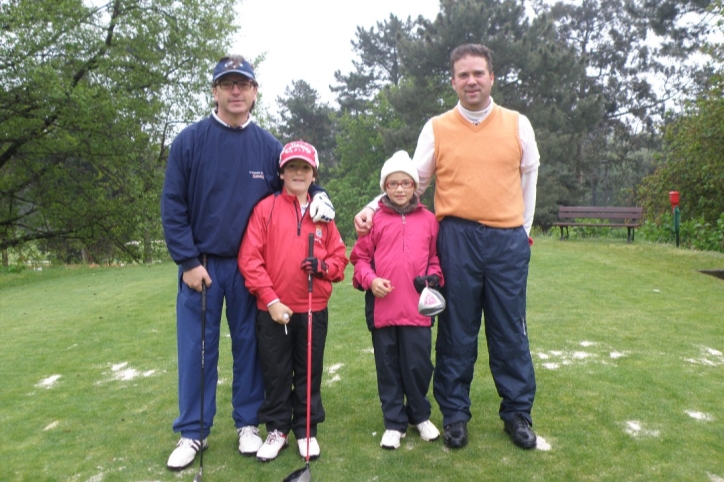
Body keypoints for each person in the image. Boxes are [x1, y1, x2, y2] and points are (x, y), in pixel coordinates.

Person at [354, 43, 540, 450]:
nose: (471, 81)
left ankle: (517, 413)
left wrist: (521, 232)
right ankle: (455, 414)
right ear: (453, 81)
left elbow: (529, 181)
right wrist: (371, 208)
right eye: (463, 75)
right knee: (457, 329)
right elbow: (410, 181)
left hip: (507, 241)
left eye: (478, 73)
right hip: (456, 238)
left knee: (509, 329)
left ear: (491, 77)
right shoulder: (437, 127)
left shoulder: (517, 124)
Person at [161, 55, 336, 471]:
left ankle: (247, 422)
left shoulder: (266, 145)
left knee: (251, 348)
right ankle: (194, 430)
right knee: (197, 350)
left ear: (255, 92)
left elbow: (299, 179)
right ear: (216, 91)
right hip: (200, 266)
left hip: (251, 269)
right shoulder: (190, 140)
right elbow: (173, 205)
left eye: (243, 84)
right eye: (227, 84)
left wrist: (324, 197)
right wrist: (186, 259)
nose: (235, 91)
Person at [238, 140, 349, 462]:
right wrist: (270, 300)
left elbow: (340, 259)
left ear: (314, 174)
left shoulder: (324, 214)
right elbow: (250, 259)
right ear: (281, 172)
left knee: (308, 373)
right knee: (275, 373)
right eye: (292, 167)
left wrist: (324, 267)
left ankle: (306, 428)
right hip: (273, 310)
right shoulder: (266, 208)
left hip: (313, 309)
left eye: (304, 167)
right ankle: (277, 429)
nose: (298, 173)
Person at [350, 151, 444, 450]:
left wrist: (432, 277)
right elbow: (360, 260)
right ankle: (394, 421)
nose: (400, 189)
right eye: (393, 184)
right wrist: (371, 280)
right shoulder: (373, 221)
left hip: (417, 309)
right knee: (388, 367)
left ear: (415, 186)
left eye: (406, 183)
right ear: (385, 188)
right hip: (384, 310)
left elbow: (435, 259)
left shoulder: (429, 220)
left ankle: (419, 415)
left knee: (418, 365)